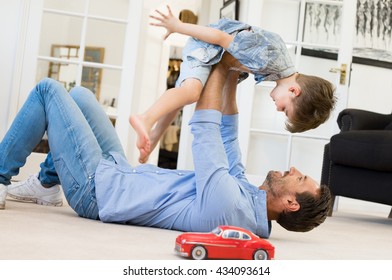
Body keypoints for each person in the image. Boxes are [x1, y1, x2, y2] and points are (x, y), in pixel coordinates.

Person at [0, 58, 331, 238]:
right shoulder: (249, 196)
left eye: (301, 180)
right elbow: (228, 137)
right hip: (120, 172)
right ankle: (46, 185)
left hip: (97, 191)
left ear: (290, 204)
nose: (295, 171)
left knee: (48, 90)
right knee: (81, 97)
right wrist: (230, 76)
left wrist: (217, 66)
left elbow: (205, 130)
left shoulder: (231, 209)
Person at [129, 5, 336, 163]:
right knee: (190, 93)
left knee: (183, 96)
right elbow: (220, 37)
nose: (278, 108)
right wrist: (178, 27)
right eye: (285, 109)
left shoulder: (276, 68)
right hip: (206, 46)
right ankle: (145, 118)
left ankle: (155, 136)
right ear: (294, 90)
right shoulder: (268, 60)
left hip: (214, 52)